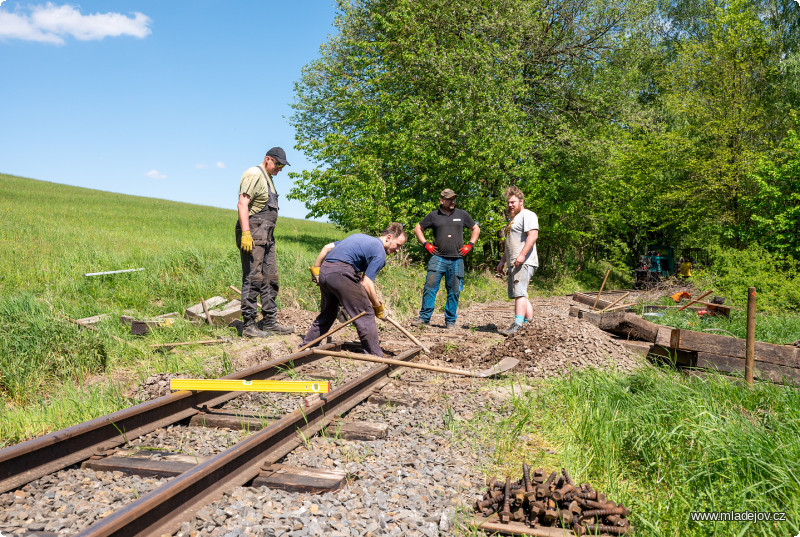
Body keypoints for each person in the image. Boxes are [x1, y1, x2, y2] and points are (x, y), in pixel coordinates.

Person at [301, 223, 407, 357]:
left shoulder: (359, 237)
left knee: (329, 312)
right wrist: (378, 307)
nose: (397, 250)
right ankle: (374, 355)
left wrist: (316, 270)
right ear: (389, 237)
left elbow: (326, 248)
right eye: (398, 245)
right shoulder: (380, 253)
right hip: (341, 274)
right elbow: (366, 283)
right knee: (366, 313)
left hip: (325, 271)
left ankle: (306, 346)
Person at [235, 147, 295, 338]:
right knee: (254, 278)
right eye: (277, 164)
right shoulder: (254, 174)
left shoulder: (270, 179)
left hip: (267, 237)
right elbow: (242, 203)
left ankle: (269, 322)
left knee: (271, 278)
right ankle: (249, 325)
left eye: (282, 166)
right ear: (268, 159)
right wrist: (245, 233)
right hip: (253, 235)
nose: (279, 169)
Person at [410, 188, 480, 329]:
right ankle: (424, 319)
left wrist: (470, 245)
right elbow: (418, 228)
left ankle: (450, 321)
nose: (452, 201)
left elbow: (476, 229)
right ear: (442, 200)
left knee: (454, 291)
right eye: (449, 199)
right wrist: (426, 244)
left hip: (457, 259)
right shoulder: (433, 215)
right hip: (438, 258)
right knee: (430, 288)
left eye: (454, 199)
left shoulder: (462, 214)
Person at [495, 186, 539, 336]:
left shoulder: (528, 214)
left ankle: (517, 324)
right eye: (508, 202)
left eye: (513, 202)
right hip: (515, 261)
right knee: (521, 292)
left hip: (524, 261)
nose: (510, 205)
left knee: (519, 292)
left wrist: (522, 255)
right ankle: (529, 323)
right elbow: (509, 243)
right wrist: (503, 261)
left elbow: (533, 236)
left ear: (521, 201)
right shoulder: (513, 220)